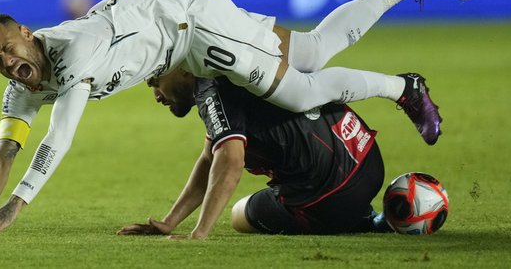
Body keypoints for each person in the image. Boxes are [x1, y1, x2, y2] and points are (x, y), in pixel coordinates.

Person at [0, 0, 471, 245]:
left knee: (299, 90)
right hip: (181, 18)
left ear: (28, 34)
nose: (8, 62)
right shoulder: (22, 85)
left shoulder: (73, 53)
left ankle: (404, 87)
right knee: (309, 49)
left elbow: (61, 134)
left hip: (194, 28)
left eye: (10, 48)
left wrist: (16, 206)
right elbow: (3, 154)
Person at [118, 69, 392, 238]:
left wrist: (199, 232)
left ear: (184, 69)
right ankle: (375, 212)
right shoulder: (240, 55)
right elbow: (209, 158)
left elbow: (231, 161)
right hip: (367, 157)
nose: (156, 94)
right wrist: (169, 222)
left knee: (240, 214)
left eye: (155, 82)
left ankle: (359, 218)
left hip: (329, 198)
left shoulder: (210, 88)